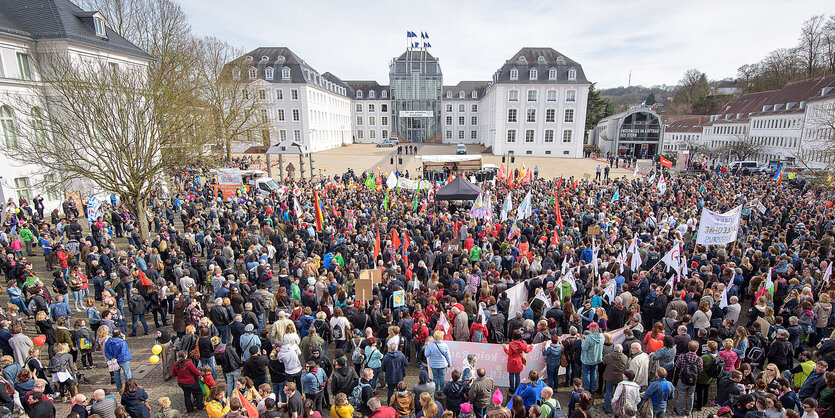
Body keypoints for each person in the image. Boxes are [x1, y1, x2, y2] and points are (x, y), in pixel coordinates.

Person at [674, 340, 703, 416]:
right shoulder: (699, 359)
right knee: (691, 395)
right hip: (693, 380)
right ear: (697, 348)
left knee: (681, 394)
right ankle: (688, 411)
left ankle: (679, 410)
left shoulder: (682, 356)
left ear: (688, 347)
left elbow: (677, 366)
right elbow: (700, 370)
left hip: (682, 378)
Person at [602, 343, 628, 413]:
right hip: (619, 378)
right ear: (621, 350)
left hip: (609, 377)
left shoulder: (608, 356)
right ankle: (617, 408)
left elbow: (603, 362)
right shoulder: (625, 357)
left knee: (608, 393)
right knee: (618, 393)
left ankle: (607, 408)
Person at [504, 329, 532, 394]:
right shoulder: (523, 343)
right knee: (518, 375)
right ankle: (517, 388)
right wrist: (531, 347)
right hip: (519, 361)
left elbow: (509, 353)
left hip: (511, 361)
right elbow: (527, 351)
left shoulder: (511, 344)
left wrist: (504, 348)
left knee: (511, 374)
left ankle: (511, 388)